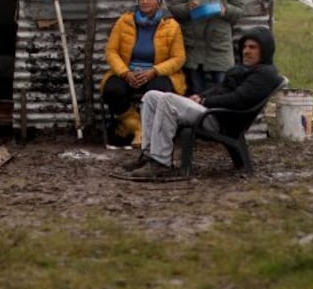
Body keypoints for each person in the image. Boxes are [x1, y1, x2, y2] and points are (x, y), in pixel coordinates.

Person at [118, 26, 282, 180]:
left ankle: (161, 163)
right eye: (245, 47)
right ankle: (148, 154)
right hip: (213, 111)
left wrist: (205, 101)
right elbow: (221, 89)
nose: (246, 51)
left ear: (265, 50)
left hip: (222, 119)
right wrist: (200, 96)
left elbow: (238, 100)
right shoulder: (245, 69)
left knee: (167, 100)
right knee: (151, 96)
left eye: (253, 47)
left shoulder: (264, 73)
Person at [100, 0, 186, 148]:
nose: (145, 1)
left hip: (156, 73)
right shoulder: (124, 21)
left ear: (158, 2)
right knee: (112, 90)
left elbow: (178, 57)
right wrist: (125, 73)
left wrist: (154, 71)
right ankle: (138, 128)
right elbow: (111, 51)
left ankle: (147, 131)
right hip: (128, 71)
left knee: (159, 93)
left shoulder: (171, 26)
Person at [168, 0, 244, 95]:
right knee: (196, 94)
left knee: (224, 92)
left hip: (219, 46)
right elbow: (174, 8)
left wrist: (225, 9)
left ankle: (220, 120)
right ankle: (199, 120)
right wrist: (187, 7)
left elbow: (239, 10)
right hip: (194, 47)